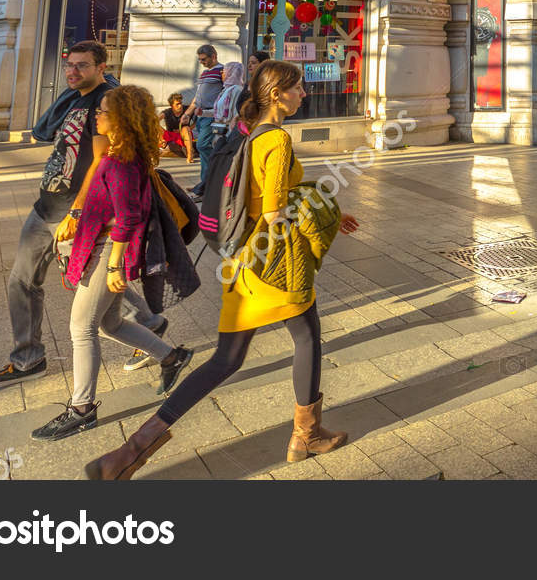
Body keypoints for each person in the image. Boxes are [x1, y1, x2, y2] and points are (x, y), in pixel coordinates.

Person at [85, 61, 362, 479]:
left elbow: (262, 192)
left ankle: (129, 452)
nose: (304, 94)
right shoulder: (278, 139)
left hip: (241, 266)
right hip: (272, 267)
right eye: (297, 88)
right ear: (276, 95)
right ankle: (306, 435)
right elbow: (272, 211)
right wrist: (312, 222)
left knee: (226, 359)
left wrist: (327, 207)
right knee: (307, 337)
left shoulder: (244, 131)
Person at [0, 41, 166, 392]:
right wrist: (68, 92)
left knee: (88, 288)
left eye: (82, 66)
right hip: (46, 204)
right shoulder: (75, 96)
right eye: (69, 65)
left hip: (72, 213)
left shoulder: (107, 103)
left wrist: (77, 210)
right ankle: (28, 357)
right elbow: (43, 130)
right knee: (24, 280)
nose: (72, 71)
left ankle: (146, 330)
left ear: (101, 67)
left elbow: (100, 162)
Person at [31, 85, 194, 442]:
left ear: (121, 117)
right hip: (103, 246)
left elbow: (127, 218)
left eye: (104, 111)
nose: (98, 116)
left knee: (81, 326)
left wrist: (114, 266)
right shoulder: (122, 154)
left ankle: (82, 409)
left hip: (107, 249)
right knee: (109, 323)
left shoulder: (120, 161)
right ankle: (171, 357)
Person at [182, 45, 225, 185]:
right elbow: (197, 97)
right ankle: (205, 181)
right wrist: (187, 113)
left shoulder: (222, 71)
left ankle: (209, 180)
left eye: (204, 59)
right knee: (204, 147)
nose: (201, 62)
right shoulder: (205, 74)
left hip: (211, 115)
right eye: (200, 60)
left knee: (203, 145)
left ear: (213, 56)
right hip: (200, 115)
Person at [211, 61, 247, 141]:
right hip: (220, 130)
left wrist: (232, 132)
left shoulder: (237, 90)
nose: (221, 73)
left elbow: (237, 112)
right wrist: (202, 112)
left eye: (224, 71)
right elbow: (219, 110)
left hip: (228, 133)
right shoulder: (225, 90)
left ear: (231, 73)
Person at [160, 93, 196, 161]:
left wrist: (189, 128)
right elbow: (156, 119)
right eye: (177, 104)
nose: (180, 106)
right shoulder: (167, 112)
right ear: (172, 105)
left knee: (185, 128)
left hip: (184, 135)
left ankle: (190, 154)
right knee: (155, 126)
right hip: (170, 135)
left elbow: (198, 121)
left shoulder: (187, 110)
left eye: (181, 103)